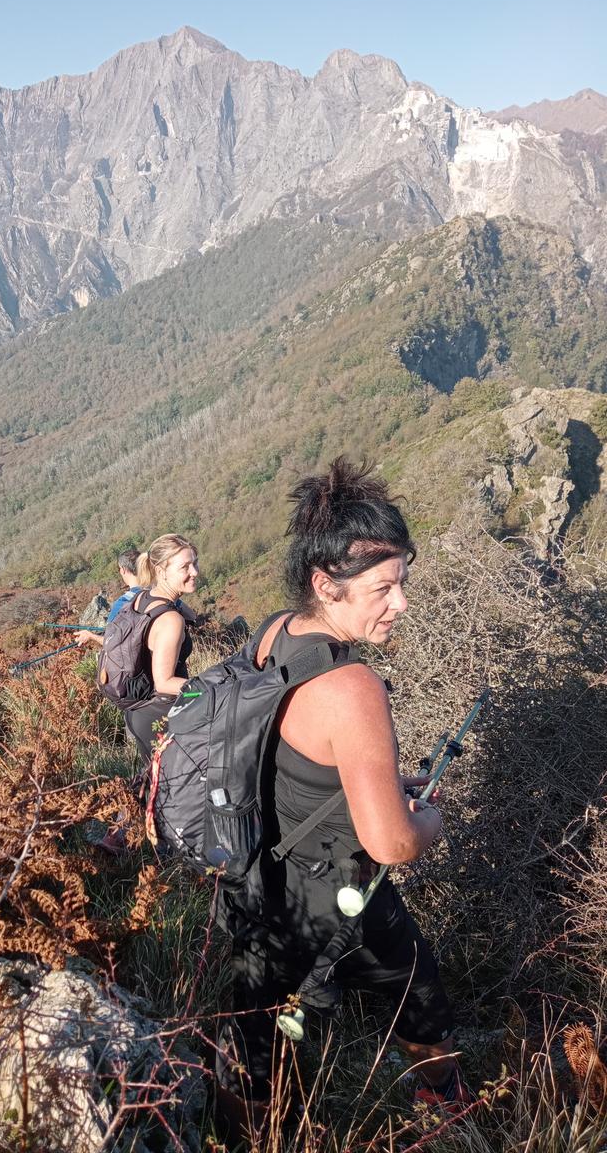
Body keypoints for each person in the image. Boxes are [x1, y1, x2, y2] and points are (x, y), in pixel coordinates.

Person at [217, 458, 468, 1140]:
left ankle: (244, 1136)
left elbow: (295, 754)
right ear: (325, 584)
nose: (401, 603)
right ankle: (446, 1107)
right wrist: (430, 819)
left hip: (256, 873)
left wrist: (376, 785)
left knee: (259, 1035)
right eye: (383, 587)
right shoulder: (353, 687)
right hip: (337, 890)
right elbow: (392, 843)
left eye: (403, 582)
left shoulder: (275, 632)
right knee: (416, 988)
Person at [121, 534, 199, 768]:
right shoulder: (170, 619)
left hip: (139, 712)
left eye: (195, 563)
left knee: (156, 783)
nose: (195, 571)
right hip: (163, 714)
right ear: (161, 571)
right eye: (185, 567)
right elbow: (164, 682)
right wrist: (205, 687)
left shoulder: (143, 598)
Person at [76, 549, 143, 650]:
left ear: (123, 570)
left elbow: (109, 641)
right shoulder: (157, 594)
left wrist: (90, 636)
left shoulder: (123, 603)